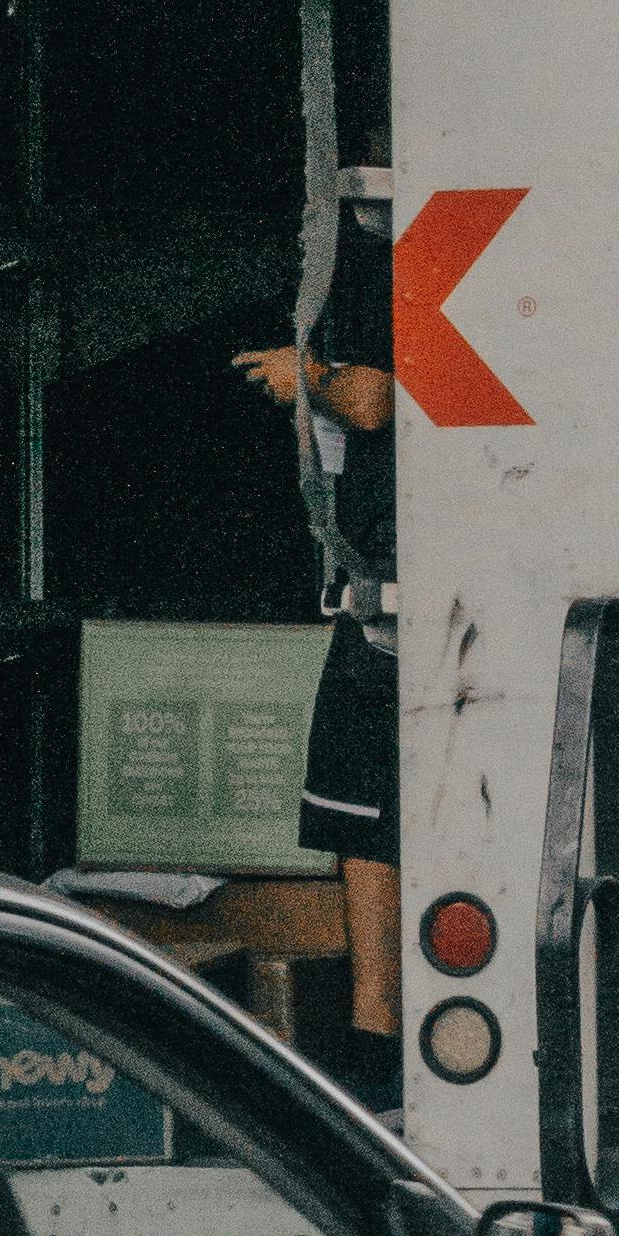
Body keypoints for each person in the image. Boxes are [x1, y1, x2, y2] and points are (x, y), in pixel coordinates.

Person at [234, 181, 403, 1117]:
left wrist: (307, 378)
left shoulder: (396, 256)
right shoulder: (359, 260)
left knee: (371, 820)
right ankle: (374, 1038)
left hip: (396, 590)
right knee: (358, 820)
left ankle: (382, 1043)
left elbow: (380, 396)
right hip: (368, 588)